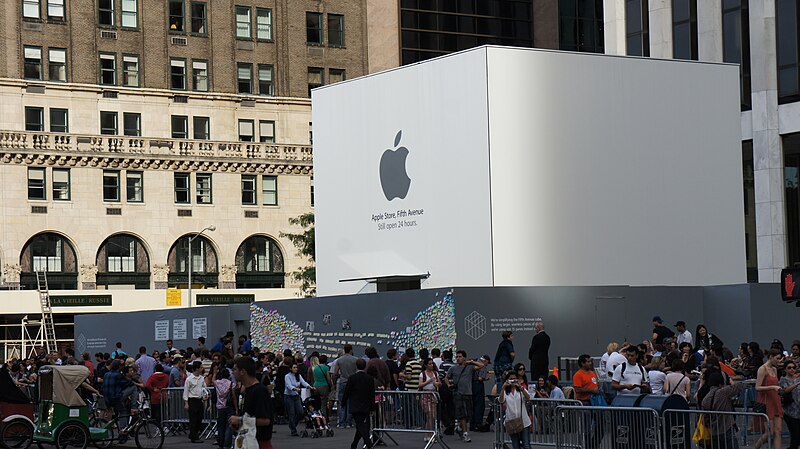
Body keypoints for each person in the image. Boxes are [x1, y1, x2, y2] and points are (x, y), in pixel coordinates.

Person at [230, 356, 274, 449]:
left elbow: (265, 420)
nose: (233, 372)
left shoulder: (259, 391)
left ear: (243, 372)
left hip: (259, 442)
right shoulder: (248, 390)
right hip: (248, 440)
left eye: (235, 369)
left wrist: (240, 420)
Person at [446, 350, 485, 442]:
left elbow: (481, 366)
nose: (458, 358)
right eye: (457, 357)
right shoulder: (453, 368)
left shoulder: (470, 368)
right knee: (462, 414)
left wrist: (471, 362)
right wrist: (448, 385)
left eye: (460, 357)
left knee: (469, 415)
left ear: (464, 358)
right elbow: (447, 377)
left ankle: (460, 427)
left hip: (468, 393)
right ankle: (465, 433)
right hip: (458, 393)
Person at [702, 372, 747, 449]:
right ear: (720, 383)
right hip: (726, 428)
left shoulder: (705, 399)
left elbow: (705, 419)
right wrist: (731, 381)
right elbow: (739, 386)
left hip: (714, 431)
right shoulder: (723, 392)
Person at [754, 349, 784, 449]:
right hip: (766, 402)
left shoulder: (774, 369)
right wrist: (773, 387)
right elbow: (757, 387)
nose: (779, 361)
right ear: (771, 357)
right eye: (777, 358)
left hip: (775, 401)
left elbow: (776, 384)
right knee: (768, 433)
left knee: (778, 431)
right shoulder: (762, 369)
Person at [342, 359, 375, 449]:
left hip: (355, 404)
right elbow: (372, 394)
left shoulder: (352, 378)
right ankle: (355, 444)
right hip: (366, 404)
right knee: (361, 426)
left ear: (356, 366)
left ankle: (367, 443)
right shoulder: (369, 378)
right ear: (365, 367)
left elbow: (347, 391)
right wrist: (372, 407)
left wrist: (343, 403)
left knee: (360, 425)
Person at [499, 371, 531, 449]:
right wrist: (503, 387)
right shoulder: (506, 392)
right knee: (515, 445)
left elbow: (528, 397)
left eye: (514, 379)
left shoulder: (520, 390)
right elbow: (501, 400)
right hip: (511, 421)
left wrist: (521, 387)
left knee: (526, 444)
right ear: (507, 380)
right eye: (511, 379)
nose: (513, 381)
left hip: (523, 421)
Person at [333, 344, 358, 428]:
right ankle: (349, 422)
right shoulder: (355, 360)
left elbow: (335, 373)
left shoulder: (339, 360)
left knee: (342, 402)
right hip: (353, 382)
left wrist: (334, 381)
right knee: (350, 402)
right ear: (351, 350)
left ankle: (341, 422)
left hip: (343, 382)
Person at [285, 363, 313, 436]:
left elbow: (303, 382)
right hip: (289, 396)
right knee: (292, 413)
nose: (296, 369)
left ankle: (293, 424)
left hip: (296, 396)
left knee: (300, 412)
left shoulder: (298, 376)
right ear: (290, 369)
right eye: (294, 367)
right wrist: (294, 388)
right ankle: (293, 430)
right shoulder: (287, 376)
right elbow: (288, 385)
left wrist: (309, 386)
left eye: (296, 367)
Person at [211, 363, 233, 449]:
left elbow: (213, 380)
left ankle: (220, 443)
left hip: (219, 406)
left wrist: (215, 373)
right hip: (228, 405)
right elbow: (234, 394)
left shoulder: (218, 383)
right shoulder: (230, 383)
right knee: (228, 426)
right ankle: (227, 444)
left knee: (220, 426)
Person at [183, 361, 207, 443]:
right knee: (193, 419)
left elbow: (204, 388)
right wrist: (186, 403)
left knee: (199, 419)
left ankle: (193, 434)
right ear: (197, 368)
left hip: (199, 400)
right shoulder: (189, 379)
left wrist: (205, 396)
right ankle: (194, 437)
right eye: (201, 367)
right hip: (192, 400)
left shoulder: (202, 378)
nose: (202, 368)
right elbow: (186, 391)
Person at [419, 358, 441, 441]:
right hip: (425, 395)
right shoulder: (422, 374)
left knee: (433, 416)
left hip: (433, 394)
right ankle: (429, 433)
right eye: (429, 364)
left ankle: (429, 433)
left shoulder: (435, 373)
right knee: (430, 415)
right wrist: (430, 381)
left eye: (432, 363)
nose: (431, 365)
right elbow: (420, 385)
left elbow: (439, 383)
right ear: (426, 365)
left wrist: (437, 384)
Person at [780, 360, 800, 449]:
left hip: (798, 409)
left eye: (793, 368)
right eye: (789, 368)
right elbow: (784, 391)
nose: (792, 369)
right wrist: (796, 384)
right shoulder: (783, 380)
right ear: (785, 369)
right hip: (789, 411)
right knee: (795, 435)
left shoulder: (798, 379)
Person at [471, 355, 490, 432]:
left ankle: (472, 424)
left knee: (473, 404)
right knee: (479, 405)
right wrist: (486, 378)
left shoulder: (473, 363)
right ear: (485, 361)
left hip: (471, 385)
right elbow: (480, 378)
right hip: (478, 385)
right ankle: (478, 424)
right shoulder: (482, 366)